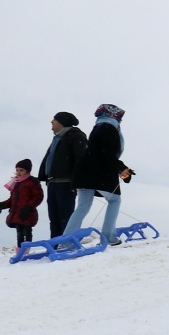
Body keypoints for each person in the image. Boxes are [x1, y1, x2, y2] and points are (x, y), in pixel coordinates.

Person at [64, 104, 132, 244]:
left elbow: (99, 151)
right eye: (119, 118)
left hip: (83, 171)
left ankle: (66, 241)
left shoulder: (98, 127)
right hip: (99, 172)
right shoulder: (109, 129)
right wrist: (121, 167)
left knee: (82, 206)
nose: (120, 121)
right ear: (112, 116)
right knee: (114, 200)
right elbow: (107, 153)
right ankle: (108, 236)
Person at [36, 111, 87, 237]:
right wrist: (46, 177)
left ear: (62, 122)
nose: (51, 122)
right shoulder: (58, 138)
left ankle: (67, 243)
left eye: (55, 119)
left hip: (66, 184)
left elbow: (80, 160)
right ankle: (55, 244)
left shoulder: (75, 136)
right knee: (54, 218)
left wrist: (76, 181)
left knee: (66, 217)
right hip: (53, 183)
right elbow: (50, 159)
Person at [0, 159, 44, 249]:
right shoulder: (16, 183)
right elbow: (12, 199)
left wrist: (29, 206)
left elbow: (38, 196)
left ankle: (27, 250)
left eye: (21, 170)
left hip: (27, 213)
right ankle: (20, 251)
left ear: (27, 171)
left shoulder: (32, 182)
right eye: (17, 170)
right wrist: (3, 205)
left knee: (27, 231)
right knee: (19, 233)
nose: (18, 172)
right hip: (17, 213)